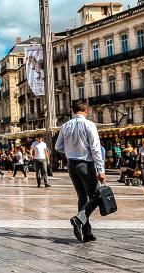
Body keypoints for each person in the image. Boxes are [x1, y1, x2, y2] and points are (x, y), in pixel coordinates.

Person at [55, 101, 105, 243]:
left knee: (82, 198)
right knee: (96, 196)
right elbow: (96, 148)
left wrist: (71, 151)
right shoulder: (89, 125)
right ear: (86, 111)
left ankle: (87, 233)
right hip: (86, 164)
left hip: (71, 164)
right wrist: (101, 169)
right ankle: (79, 219)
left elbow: (58, 146)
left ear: (73, 111)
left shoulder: (65, 125)